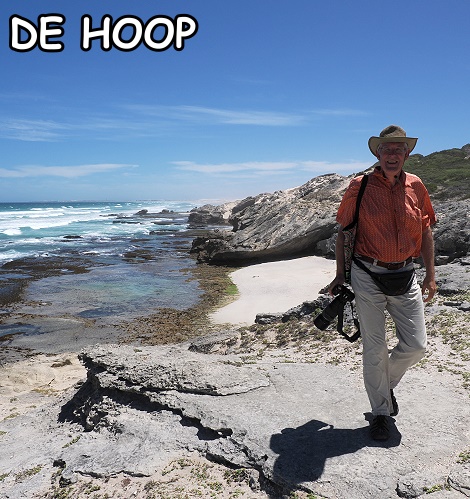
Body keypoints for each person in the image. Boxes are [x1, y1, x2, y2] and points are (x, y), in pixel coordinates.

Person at [328, 125, 437, 441]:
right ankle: (380, 413)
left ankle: (384, 386)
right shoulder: (359, 186)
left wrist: (431, 275)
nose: (392, 155)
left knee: (416, 346)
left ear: (407, 154)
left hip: (406, 274)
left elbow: (426, 231)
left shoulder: (416, 185)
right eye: (386, 149)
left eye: (398, 149)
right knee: (374, 348)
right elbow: (344, 232)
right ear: (377, 153)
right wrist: (340, 274)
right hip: (367, 274)